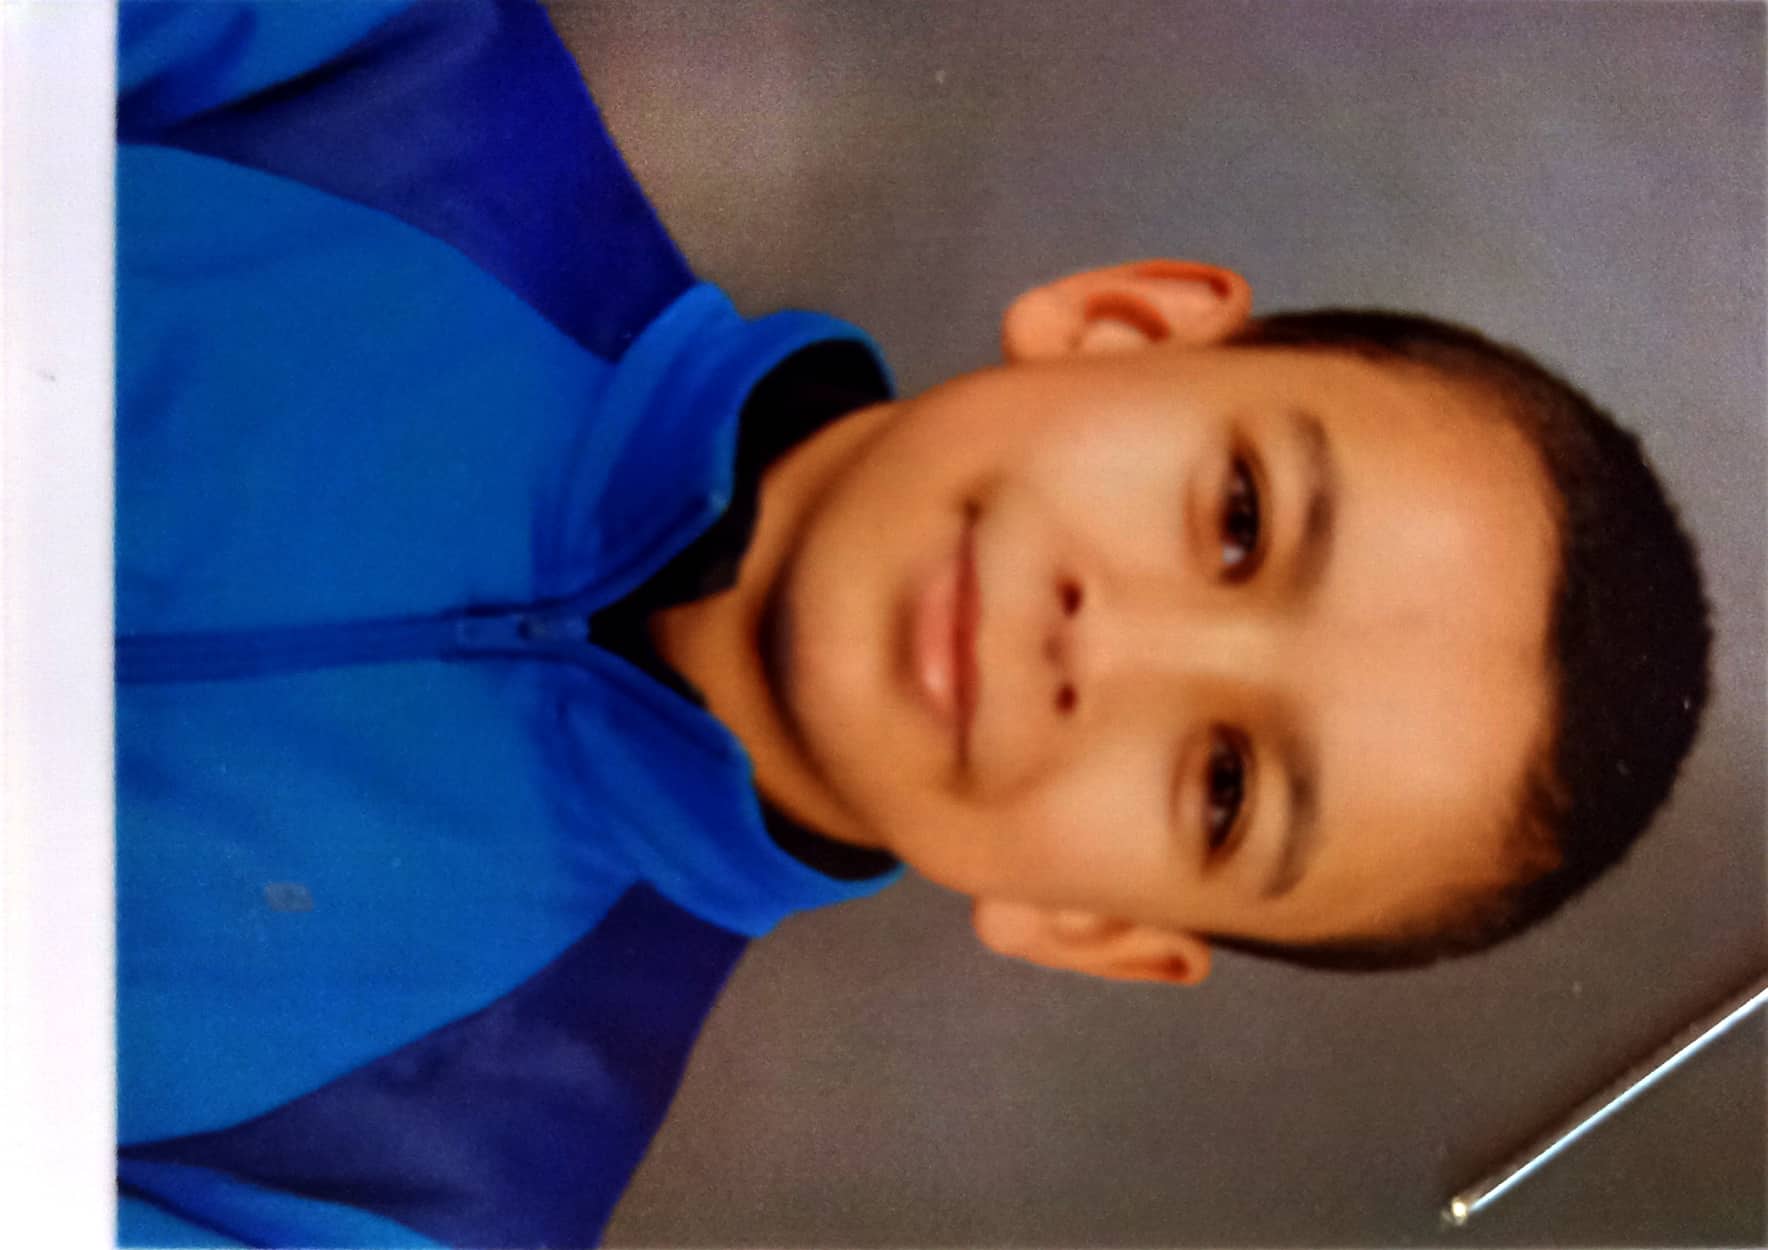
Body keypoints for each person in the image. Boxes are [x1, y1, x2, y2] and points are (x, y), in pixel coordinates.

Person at [112, 0, 1711, 1246]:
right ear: (1122, 325)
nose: (1108, 649)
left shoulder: (415, 1198)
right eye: (1238, 519)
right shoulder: (378, 64)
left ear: (1086, 925)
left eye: (1225, 783)